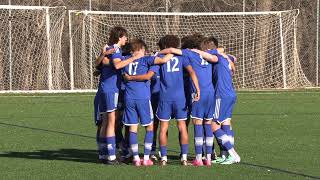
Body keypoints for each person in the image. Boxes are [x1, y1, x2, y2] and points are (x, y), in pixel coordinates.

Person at [159, 34, 218, 166]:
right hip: (210, 93)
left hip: (193, 95)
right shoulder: (208, 55)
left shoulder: (188, 54)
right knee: (207, 124)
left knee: (196, 123)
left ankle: (197, 157)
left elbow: (172, 51)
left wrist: (159, 53)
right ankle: (208, 157)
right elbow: (218, 54)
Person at [121, 39, 174, 166]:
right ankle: (145, 158)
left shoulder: (125, 61)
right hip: (143, 98)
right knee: (149, 127)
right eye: (143, 50)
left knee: (133, 128)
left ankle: (135, 158)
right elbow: (164, 60)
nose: (145, 52)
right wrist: (172, 51)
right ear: (139, 50)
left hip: (129, 98)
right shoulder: (146, 60)